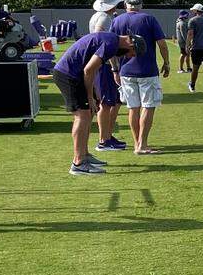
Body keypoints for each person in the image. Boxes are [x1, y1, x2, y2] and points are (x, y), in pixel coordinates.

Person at [53, 31, 143, 175]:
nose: (128, 56)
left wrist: (95, 92)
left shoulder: (111, 41)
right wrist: (89, 97)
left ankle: (84, 155)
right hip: (68, 75)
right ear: (130, 44)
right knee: (82, 116)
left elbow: (91, 69)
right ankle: (78, 163)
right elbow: (88, 70)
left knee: (88, 113)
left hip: (75, 74)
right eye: (131, 53)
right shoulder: (111, 44)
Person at [111, 0, 170, 154]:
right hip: (147, 70)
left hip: (126, 71)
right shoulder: (149, 19)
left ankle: (138, 143)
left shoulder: (117, 21)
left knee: (133, 108)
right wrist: (166, 62)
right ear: (141, 4)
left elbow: (111, 47)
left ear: (125, 5)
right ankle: (142, 145)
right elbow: (162, 44)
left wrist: (115, 69)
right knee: (148, 106)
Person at [89, 0, 127, 152]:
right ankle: (104, 140)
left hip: (103, 63)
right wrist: (114, 67)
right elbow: (101, 38)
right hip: (103, 65)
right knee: (105, 103)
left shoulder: (99, 16)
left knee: (115, 101)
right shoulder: (104, 18)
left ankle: (107, 136)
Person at [185, 4, 203, 95]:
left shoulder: (192, 20)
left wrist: (187, 45)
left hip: (197, 48)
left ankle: (192, 85)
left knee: (195, 68)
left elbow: (190, 34)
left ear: (196, 11)